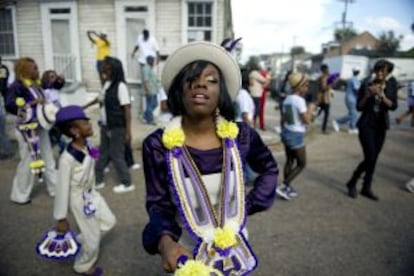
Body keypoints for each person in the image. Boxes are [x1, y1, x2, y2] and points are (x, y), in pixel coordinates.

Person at [141, 41, 278, 275]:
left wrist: (248, 206)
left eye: (212, 80)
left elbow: (269, 169)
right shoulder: (157, 145)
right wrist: (166, 243)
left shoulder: (242, 136)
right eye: (191, 79)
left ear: (221, 92)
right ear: (178, 90)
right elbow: (159, 203)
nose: (201, 84)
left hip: (235, 244)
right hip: (188, 248)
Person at [53, 105, 116, 275]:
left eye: (88, 122)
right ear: (74, 131)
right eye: (85, 123)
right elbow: (61, 189)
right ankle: (83, 265)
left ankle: (83, 240)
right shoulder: (67, 159)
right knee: (93, 237)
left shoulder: (87, 144)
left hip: (91, 194)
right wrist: (61, 218)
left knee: (109, 222)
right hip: (78, 199)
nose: (90, 125)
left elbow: (93, 156)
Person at [6, 57, 57, 204]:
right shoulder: (16, 86)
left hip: (40, 126)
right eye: (34, 68)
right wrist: (31, 103)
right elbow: (10, 106)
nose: (37, 70)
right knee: (28, 162)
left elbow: (52, 86)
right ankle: (20, 195)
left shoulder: (35, 85)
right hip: (26, 129)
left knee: (48, 158)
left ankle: (54, 188)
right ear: (24, 70)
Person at [345, 59, 398, 201]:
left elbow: (393, 106)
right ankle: (352, 182)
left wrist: (382, 95)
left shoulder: (391, 84)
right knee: (370, 157)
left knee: (373, 159)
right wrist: (368, 95)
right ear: (374, 71)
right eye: (378, 70)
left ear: (388, 72)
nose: (380, 73)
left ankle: (366, 187)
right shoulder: (366, 83)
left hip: (381, 126)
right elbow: (359, 107)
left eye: (383, 71)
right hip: (366, 125)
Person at [94, 56, 135, 194]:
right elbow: (100, 101)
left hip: (117, 126)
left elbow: (127, 109)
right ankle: (98, 180)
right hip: (105, 126)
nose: (103, 69)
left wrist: (128, 131)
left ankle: (127, 182)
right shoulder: (107, 84)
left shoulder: (121, 86)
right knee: (102, 153)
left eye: (106, 67)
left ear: (114, 69)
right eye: (103, 67)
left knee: (116, 155)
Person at [277, 73, 316, 200]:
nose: (307, 87)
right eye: (305, 85)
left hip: (287, 132)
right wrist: (311, 109)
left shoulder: (287, 99)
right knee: (301, 163)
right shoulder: (300, 101)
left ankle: (286, 188)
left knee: (289, 161)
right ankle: (284, 186)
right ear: (298, 86)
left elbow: (282, 119)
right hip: (296, 135)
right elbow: (306, 120)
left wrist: (283, 132)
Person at [41, 70, 67, 153]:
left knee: (58, 135)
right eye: (52, 77)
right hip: (51, 115)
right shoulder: (46, 91)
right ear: (46, 79)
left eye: (55, 76)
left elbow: (60, 84)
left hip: (58, 114)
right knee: (55, 135)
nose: (55, 78)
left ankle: (62, 149)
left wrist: (61, 79)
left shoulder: (54, 88)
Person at [332, 69, 361, 134]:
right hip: (351, 99)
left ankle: (352, 127)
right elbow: (356, 89)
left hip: (352, 98)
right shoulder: (354, 79)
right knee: (353, 114)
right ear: (358, 72)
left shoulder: (354, 79)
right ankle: (338, 122)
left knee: (353, 114)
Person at [0, 56, 14, 159]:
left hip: (1, 100)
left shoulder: (2, 69)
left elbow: (2, 85)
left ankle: (7, 150)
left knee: (2, 128)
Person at [248, 62, 270, 129]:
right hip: (257, 94)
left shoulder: (251, 73)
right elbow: (264, 80)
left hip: (252, 93)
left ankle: (253, 124)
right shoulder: (255, 73)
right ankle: (252, 123)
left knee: (253, 109)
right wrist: (268, 78)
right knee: (257, 110)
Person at [141, 55, 159, 125]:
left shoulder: (150, 68)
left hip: (154, 90)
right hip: (150, 90)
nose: (153, 62)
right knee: (150, 105)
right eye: (152, 60)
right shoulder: (146, 68)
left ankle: (145, 116)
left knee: (155, 104)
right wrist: (147, 90)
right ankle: (150, 120)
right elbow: (146, 80)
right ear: (149, 61)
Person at [316, 64, 332, 134]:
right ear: (324, 70)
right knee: (325, 114)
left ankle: (323, 128)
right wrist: (329, 84)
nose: (328, 70)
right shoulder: (324, 78)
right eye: (327, 69)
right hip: (324, 99)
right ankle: (324, 129)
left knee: (318, 112)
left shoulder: (322, 77)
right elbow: (323, 88)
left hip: (323, 98)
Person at [259, 65, 271, 130]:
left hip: (257, 92)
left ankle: (254, 124)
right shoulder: (266, 74)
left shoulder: (258, 73)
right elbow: (267, 84)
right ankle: (261, 125)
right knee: (261, 109)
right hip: (262, 92)